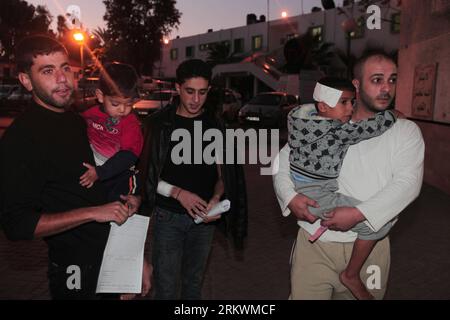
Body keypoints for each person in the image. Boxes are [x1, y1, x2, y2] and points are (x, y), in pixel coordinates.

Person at [0, 35, 149, 299]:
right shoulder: (21, 138)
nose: (62, 79)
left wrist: (133, 258)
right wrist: (93, 212)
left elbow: (109, 182)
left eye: (65, 68)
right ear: (25, 80)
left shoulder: (79, 121)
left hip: (113, 258)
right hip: (74, 269)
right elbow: (17, 225)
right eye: (47, 71)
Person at [273, 50, 425, 300]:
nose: (386, 88)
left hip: (370, 250)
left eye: (393, 79)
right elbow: (281, 163)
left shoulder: (406, 130)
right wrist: (290, 197)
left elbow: (407, 185)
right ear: (356, 84)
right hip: (315, 244)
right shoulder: (325, 122)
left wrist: (357, 214)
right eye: (377, 80)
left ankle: (352, 274)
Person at [139, 59, 247, 300]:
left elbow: (223, 176)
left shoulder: (216, 126)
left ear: (209, 91)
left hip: (204, 221)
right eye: (189, 91)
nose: (196, 100)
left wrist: (217, 199)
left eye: (202, 92)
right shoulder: (158, 125)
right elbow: (145, 177)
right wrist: (177, 193)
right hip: (168, 218)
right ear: (178, 88)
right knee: (165, 289)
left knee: (193, 286)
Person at [287, 76, 396, 299]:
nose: (350, 108)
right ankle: (351, 275)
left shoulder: (300, 120)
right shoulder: (333, 131)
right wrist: (392, 115)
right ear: (324, 106)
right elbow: (369, 129)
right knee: (377, 221)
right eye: (344, 102)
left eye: (352, 102)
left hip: (307, 188)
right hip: (318, 194)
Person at [79, 62, 143, 202]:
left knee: (117, 204)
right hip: (93, 172)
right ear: (100, 96)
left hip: (120, 176)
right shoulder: (89, 115)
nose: (122, 110)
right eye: (116, 104)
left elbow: (129, 155)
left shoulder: (130, 122)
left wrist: (100, 172)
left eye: (128, 104)